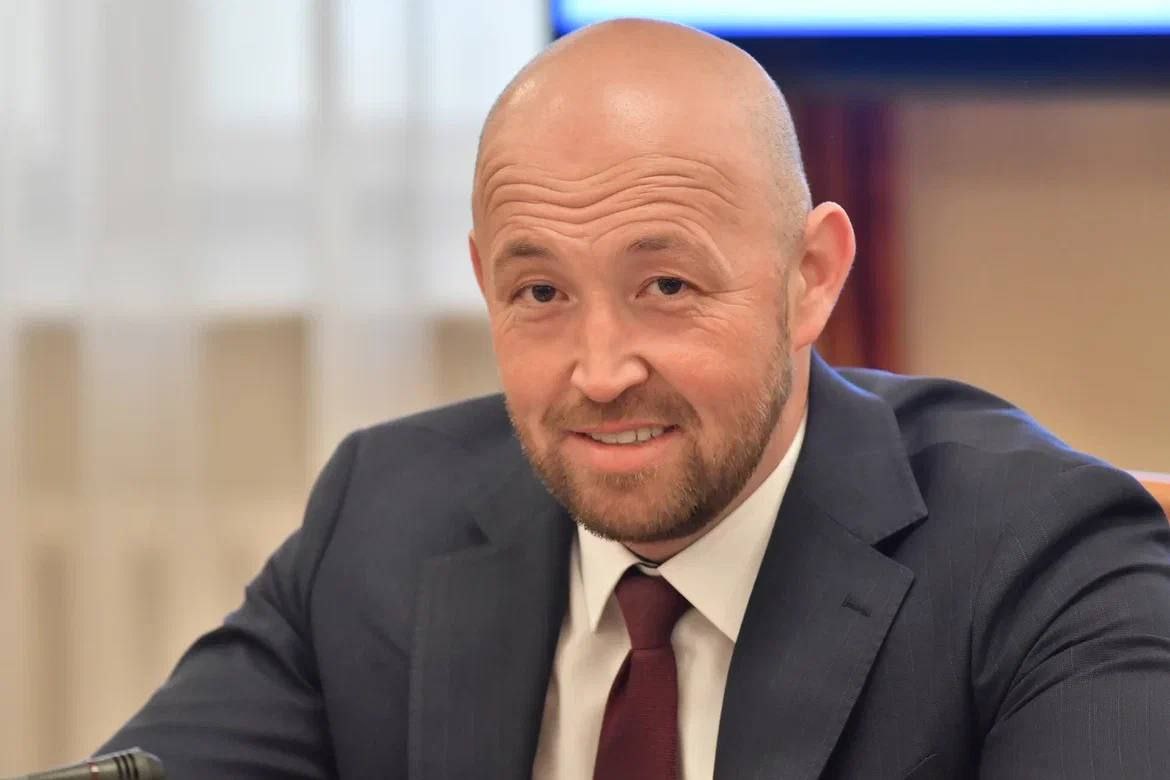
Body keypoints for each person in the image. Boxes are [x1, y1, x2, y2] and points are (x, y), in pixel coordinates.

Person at [100, 19, 1170, 779]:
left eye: (666, 286)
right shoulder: (382, 517)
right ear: (484, 286)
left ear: (810, 278)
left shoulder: (1040, 555)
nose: (601, 371)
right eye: (541, 293)